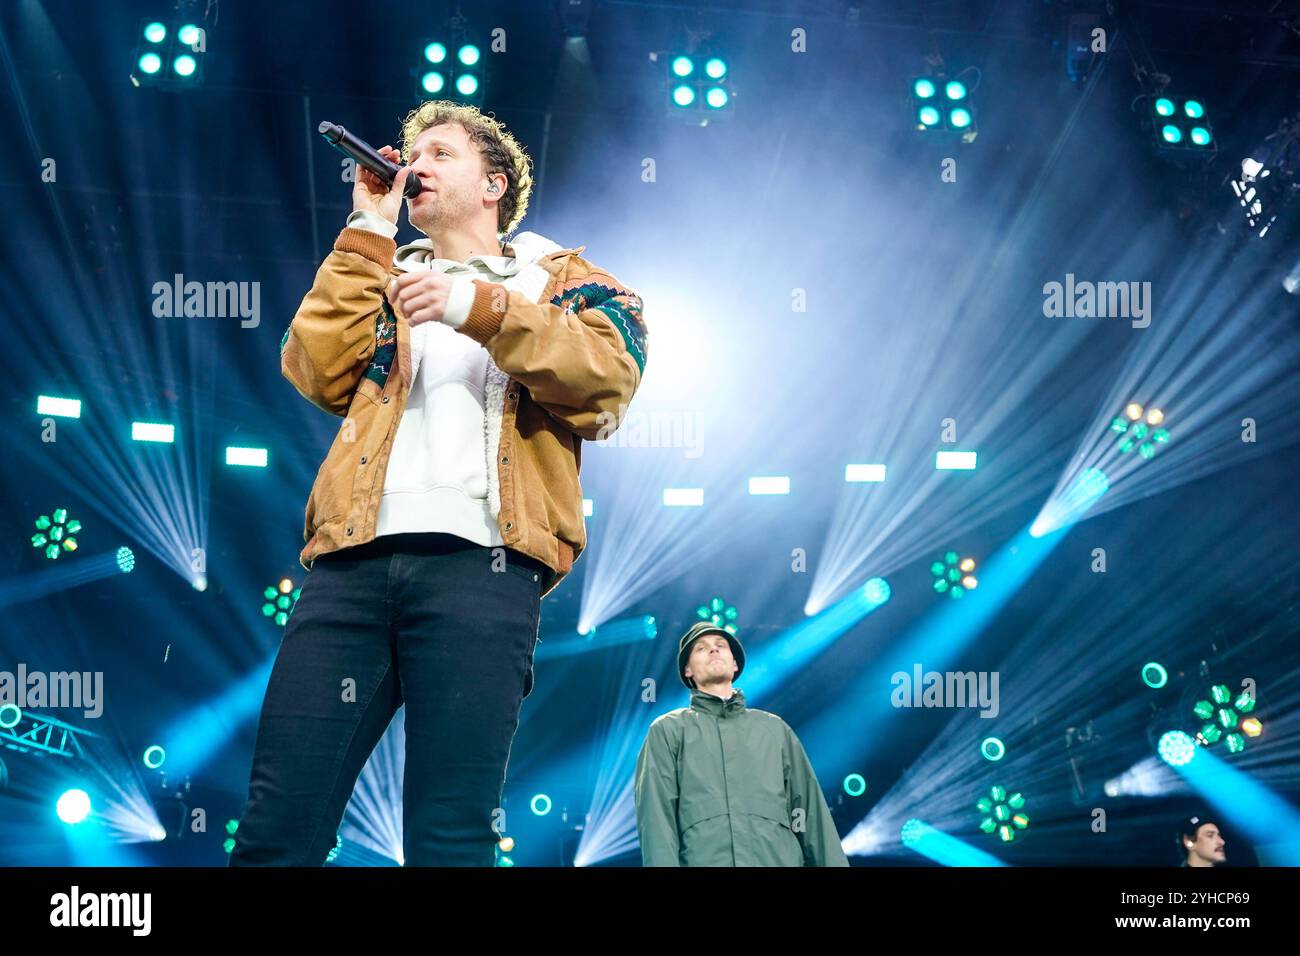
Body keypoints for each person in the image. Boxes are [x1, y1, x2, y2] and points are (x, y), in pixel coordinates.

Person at [230, 100, 647, 866]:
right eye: (410, 153)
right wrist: (367, 232)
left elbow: (607, 385)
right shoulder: (385, 273)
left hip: (484, 567)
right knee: (277, 821)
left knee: (451, 830)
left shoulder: (562, 280)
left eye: (440, 153)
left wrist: (476, 306)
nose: (414, 163)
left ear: (494, 185)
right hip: (351, 563)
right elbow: (314, 368)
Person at [634, 621, 850, 866]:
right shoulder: (668, 731)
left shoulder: (774, 730)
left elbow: (813, 816)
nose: (713, 650)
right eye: (701, 648)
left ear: (735, 663)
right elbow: (656, 821)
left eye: (720, 645)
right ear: (688, 671)